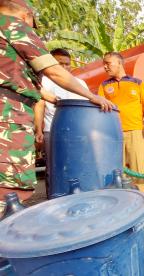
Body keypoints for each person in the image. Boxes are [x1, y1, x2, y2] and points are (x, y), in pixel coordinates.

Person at [0, 0, 113, 192]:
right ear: (26, 15)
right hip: (9, 118)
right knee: (12, 189)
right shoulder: (13, 25)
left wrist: (54, 100)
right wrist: (91, 97)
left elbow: (15, 81)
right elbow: (54, 71)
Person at [34, 48, 88, 195]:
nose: (64, 68)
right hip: (52, 132)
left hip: (77, 134)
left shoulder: (80, 83)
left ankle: (76, 198)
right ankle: (54, 199)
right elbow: (40, 104)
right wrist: (38, 129)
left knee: (77, 166)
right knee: (54, 169)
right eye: (60, 64)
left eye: (67, 64)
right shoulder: (44, 81)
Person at [98, 52, 144, 178]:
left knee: (137, 168)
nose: (105, 67)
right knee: (117, 170)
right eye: (104, 64)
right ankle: (122, 196)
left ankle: (141, 194)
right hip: (113, 133)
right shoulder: (104, 85)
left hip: (135, 131)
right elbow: (100, 108)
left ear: (119, 63)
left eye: (108, 63)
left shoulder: (137, 83)